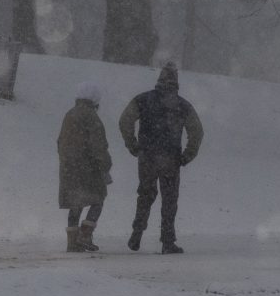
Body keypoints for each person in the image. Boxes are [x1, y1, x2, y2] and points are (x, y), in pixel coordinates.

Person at [120, 61, 204, 254]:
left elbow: (125, 120)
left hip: (147, 157)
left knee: (145, 195)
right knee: (169, 200)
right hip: (171, 159)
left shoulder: (143, 99)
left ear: (159, 79)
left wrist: (133, 145)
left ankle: (137, 233)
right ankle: (167, 241)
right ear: (176, 82)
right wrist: (187, 156)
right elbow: (197, 132)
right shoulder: (182, 105)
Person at [57, 81, 112, 252]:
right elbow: (99, 147)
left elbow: (60, 141)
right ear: (95, 100)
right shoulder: (92, 117)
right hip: (89, 168)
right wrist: (105, 165)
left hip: (69, 167)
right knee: (98, 198)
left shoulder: (69, 114)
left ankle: (72, 242)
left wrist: (66, 160)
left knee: (75, 202)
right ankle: (85, 235)